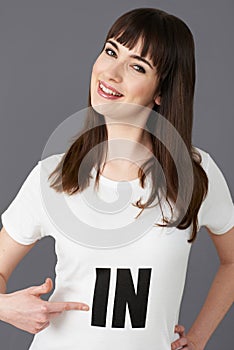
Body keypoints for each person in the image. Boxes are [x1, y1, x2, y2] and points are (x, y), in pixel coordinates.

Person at [0, 7, 234, 350]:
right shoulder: (52, 176)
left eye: (137, 66)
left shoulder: (196, 174)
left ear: (161, 92)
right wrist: (6, 308)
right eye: (111, 51)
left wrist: (198, 339)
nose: (111, 72)